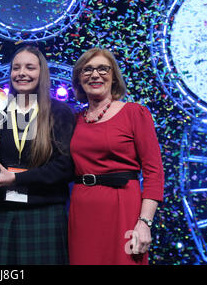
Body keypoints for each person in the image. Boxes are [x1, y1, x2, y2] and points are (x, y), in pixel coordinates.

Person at [0, 46, 75, 264]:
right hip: (4, 212)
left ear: (42, 73)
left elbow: (65, 167)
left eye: (30, 67)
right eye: (16, 68)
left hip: (45, 212)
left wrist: (15, 178)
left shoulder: (59, 112)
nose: (22, 73)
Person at [68, 47, 165, 265]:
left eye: (103, 69)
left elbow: (154, 172)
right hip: (82, 210)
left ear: (113, 77)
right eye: (87, 70)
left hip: (124, 208)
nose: (95, 75)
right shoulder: (74, 120)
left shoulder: (134, 113)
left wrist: (144, 223)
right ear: (79, 79)